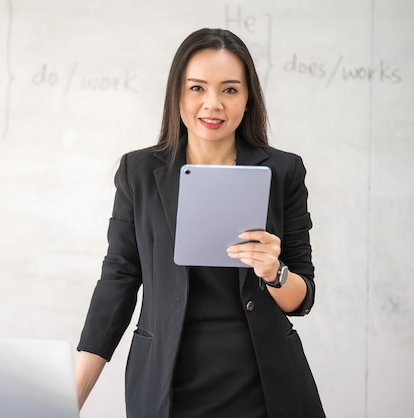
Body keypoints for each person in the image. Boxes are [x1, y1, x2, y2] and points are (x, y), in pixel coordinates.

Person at [74, 28, 325, 418]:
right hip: (166, 381)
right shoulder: (138, 172)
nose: (213, 104)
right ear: (177, 93)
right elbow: (118, 280)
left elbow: (302, 297)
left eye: (229, 90)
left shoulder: (283, 171)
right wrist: (74, 395)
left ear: (247, 98)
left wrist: (275, 272)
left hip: (263, 385)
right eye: (197, 88)